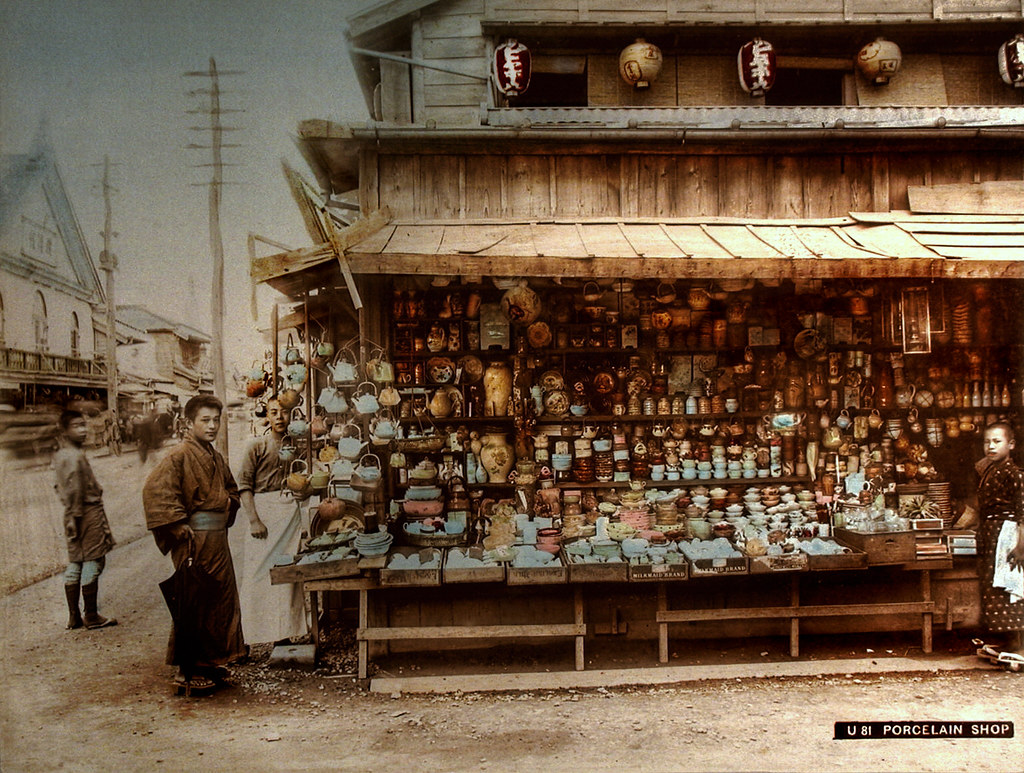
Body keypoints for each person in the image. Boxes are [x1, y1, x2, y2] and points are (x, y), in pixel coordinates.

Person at [143, 394, 245, 695]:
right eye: (205, 420)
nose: (212, 426)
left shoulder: (213, 455)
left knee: (220, 599)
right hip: (194, 540)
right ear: (189, 423)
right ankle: (188, 670)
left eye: (216, 420)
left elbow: (231, 488)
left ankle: (211, 661)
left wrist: (228, 502)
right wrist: (176, 524)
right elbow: (155, 491)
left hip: (217, 538)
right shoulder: (179, 456)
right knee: (195, 600)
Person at [236, 397, 309, 645]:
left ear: (291, 415)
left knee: (287, 574)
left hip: (289, 514)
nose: (280, 417)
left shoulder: (297, 446)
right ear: (266, 415)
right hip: (264, 514)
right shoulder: (256, 446)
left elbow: (303, 479)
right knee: (258, 575)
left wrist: (303, 491)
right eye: (274, 412)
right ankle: (252, 635)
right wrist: (254, 520)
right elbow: (244, 486)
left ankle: (285, 634)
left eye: (285, 412)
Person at [53, 409, 117, 630]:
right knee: (94, 560)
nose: (83, 430)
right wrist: (76, 516)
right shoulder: (76, 456)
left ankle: (73, 617)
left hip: (72, 513)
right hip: (86, 513)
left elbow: (59, 487)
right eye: (76, 426)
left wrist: (70, 515)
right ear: (64, 431)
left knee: (76, 561)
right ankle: (90, 615)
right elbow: (76, 488)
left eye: (83, 425)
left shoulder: (60, 455)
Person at [975, 422, 1024, 655]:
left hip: (1006, 534)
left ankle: (1017, 644)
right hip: (990, 535)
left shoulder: (1015, 474)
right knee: (994, 586)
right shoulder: (990, 470)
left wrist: (1020, 546)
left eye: (997, 441)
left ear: (1011, 444)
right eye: (987, 442)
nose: (990, 446)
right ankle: (1007, 640)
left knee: (1009, 587)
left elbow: (1023, 513)